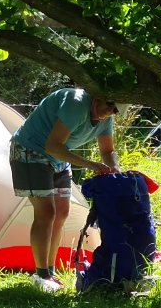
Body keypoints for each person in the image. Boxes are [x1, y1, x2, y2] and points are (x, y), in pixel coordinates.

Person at [10, 82, 121, 291]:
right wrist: (92, 165)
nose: (110, 111)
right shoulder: (76, 104)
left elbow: (108, 151)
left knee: (62, 212)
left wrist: (114, 169)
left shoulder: (107, 118)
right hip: (31, 152)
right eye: (109, 105)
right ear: (98, 97)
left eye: (115, 109)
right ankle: (41, 274)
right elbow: (52, 146)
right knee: (46, 212)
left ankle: (49, 272)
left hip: (59, 159)